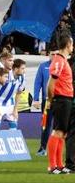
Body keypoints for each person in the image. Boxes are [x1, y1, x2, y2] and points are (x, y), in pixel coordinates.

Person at [46, 32, 73, 174]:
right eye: (72, 44)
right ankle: (52, 166)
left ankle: (59, 164)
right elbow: (51, 83)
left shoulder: (63, 60)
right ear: (68, 45)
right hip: (61, 99)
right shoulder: (58, 60)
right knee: (57, 131)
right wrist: (50, 100)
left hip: (66, 99)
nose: (73, 47)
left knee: (62, 133)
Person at [0, 56, 26, 130]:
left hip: (10, 103)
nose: (24, 71)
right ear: (16, 69)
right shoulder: (6, 75)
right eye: (22, 68)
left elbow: (18, 93)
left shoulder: (22, 78)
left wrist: (15, 109)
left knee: (13, 124)